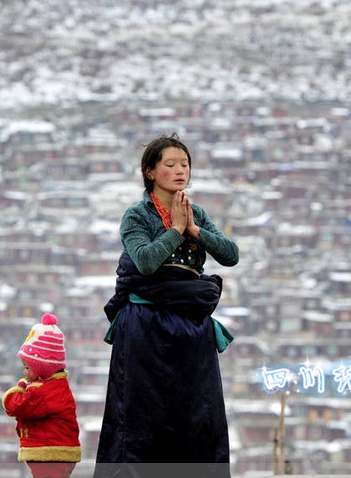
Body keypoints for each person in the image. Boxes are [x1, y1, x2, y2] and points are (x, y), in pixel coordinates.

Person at [95, 133, 239, 477]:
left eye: (185, 164)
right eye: (170, 164)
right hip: (146, 326)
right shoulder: (136, 217)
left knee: (196, 412)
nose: (180, 171)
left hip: (190, 327)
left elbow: (230, 255)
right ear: (150, 172)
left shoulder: (196, 213)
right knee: (142, 414)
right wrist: (175, 231)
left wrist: (195, 230)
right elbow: (144, 261)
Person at [2, 313, 82, 478]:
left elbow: (15, 406)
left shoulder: (42, 392)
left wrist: (19, 388)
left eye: (28, 367)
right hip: (58, 451)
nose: (24, 372)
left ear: (43, 368)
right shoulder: (56, 386)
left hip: (50, 452)